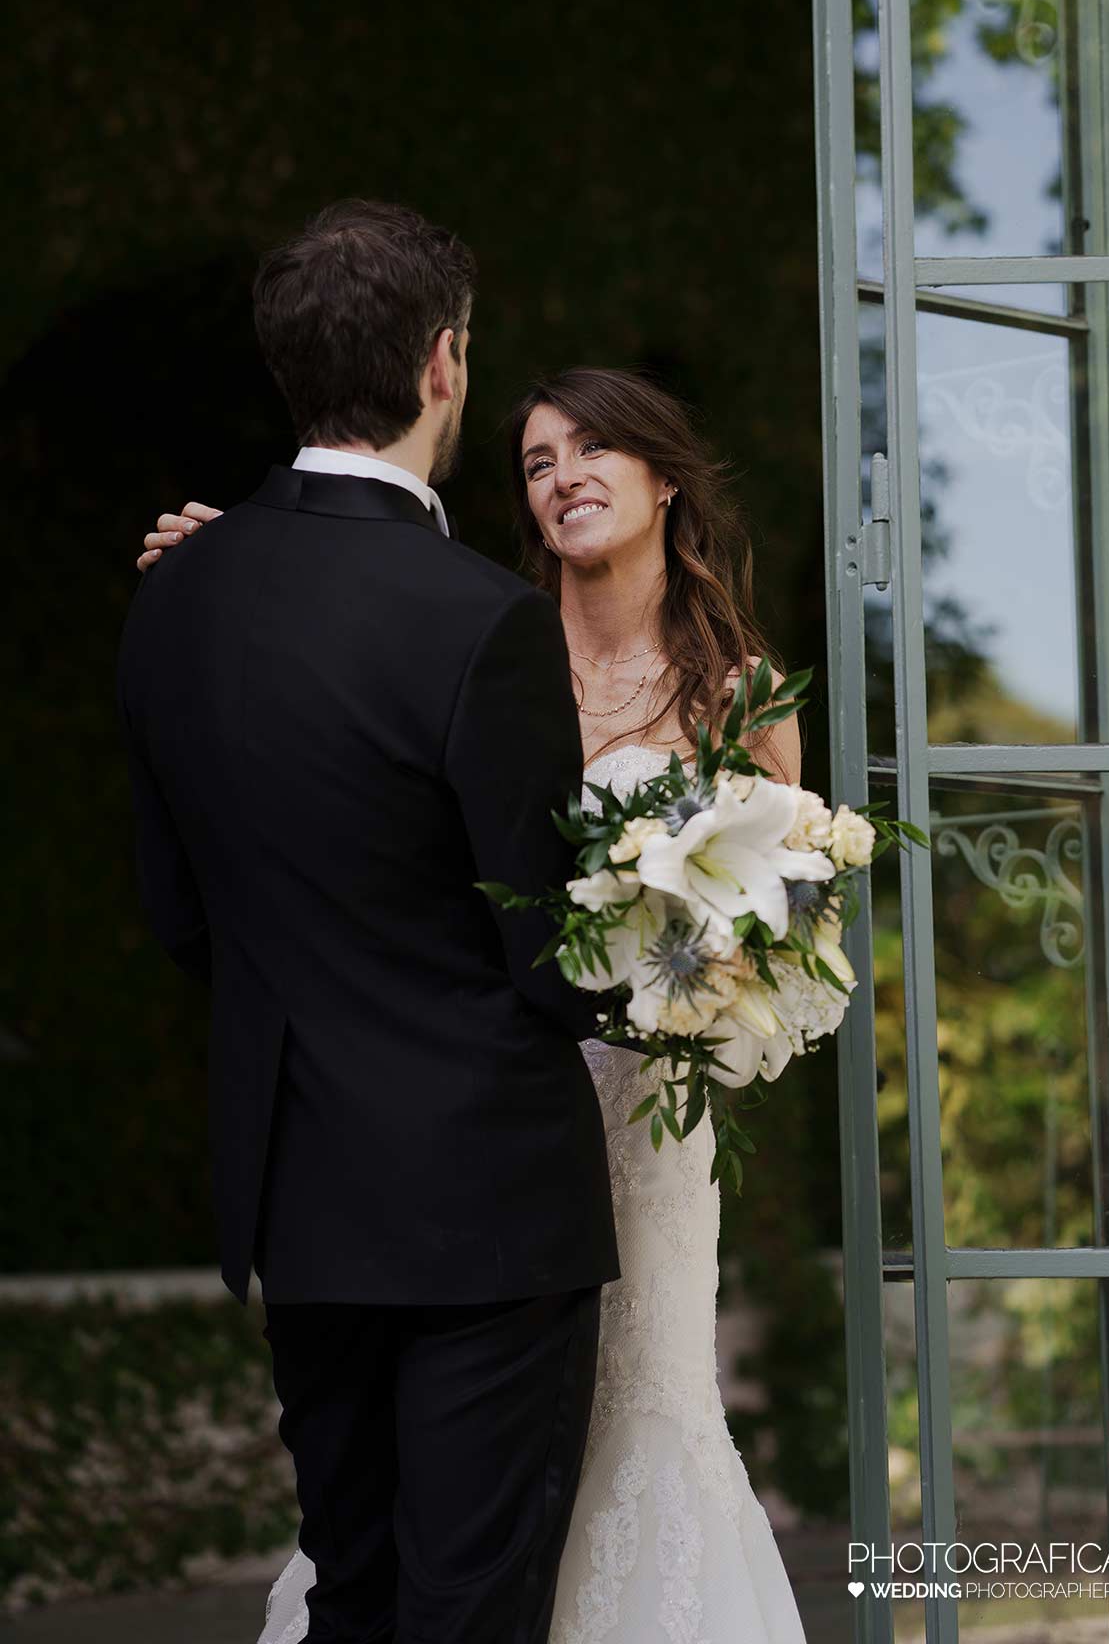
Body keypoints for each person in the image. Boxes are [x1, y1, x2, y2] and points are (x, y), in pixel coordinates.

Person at [137, 354, 809, 1634]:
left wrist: (698, 989)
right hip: (470, 1110)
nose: (561, 476)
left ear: (665, 477)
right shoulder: (471, 630)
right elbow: (341, 693)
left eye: (591, 449)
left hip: (643, 1109)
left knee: (643, 1409)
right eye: (536, 460)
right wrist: (243, 564)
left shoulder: (743, 694)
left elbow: (783, 934)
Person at [119, 201, 621, 1644]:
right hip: (486, 1215)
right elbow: (554, 951)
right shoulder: (479, 619)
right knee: (470, 1611)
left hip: (300, 1196)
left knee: (358, 1593)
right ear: (445, 363)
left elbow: (179, 912)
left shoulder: (169, 595)